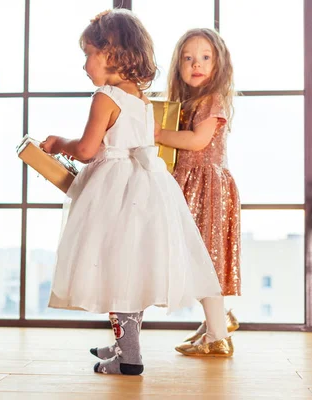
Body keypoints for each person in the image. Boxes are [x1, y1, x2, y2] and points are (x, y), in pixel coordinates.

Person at [40, 10, 227, 375]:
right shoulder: (141, 101)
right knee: (131, 268)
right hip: (148, 189)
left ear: (110, 55)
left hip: (115, 190)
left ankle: (129, 357)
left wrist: (59, 143)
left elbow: (88, 150)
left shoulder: (105, 97)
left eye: (88, 54)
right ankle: (125, 341)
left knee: (114, 266)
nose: (84, 65)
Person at [155, 28, 241, 356]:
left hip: (207, 188)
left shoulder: (211, 100)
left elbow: (197, 142)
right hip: (192, 185)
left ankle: (218, 334)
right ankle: (216, 323)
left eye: (205, 57)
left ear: (219, 64)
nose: (196, 64)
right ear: (178, 65)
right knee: (199, 256)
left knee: (202, 258)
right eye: (188, 58)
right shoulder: (188, 102)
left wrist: (160, 133)